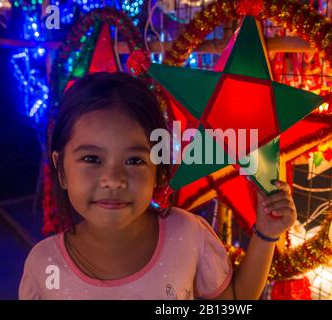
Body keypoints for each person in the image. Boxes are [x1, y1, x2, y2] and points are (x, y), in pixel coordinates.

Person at [19, 72, 297, 300]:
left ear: (158, 167)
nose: (114, 179)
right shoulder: (44, 264)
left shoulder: (187, 234)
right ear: (61, 169)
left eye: (134, 160)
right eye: (92, 159)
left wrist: (266, 235)